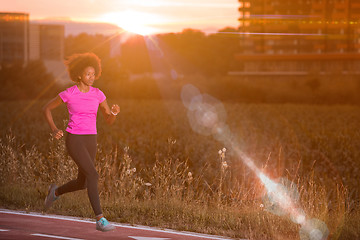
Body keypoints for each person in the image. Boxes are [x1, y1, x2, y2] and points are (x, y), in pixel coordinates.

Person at [43, 52, 120, 232]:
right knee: (93, 175)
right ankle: (100, 220)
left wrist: (114, 113)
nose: (92, 78)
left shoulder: (99, 94)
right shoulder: (69, 94)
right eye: (88, 74)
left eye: (94, 74)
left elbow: (108, 120)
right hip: (75, 139)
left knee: (83, 182)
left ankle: (55, 192)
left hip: (91, 139)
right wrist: (54, 129)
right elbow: (46, 108)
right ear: (79, 74)